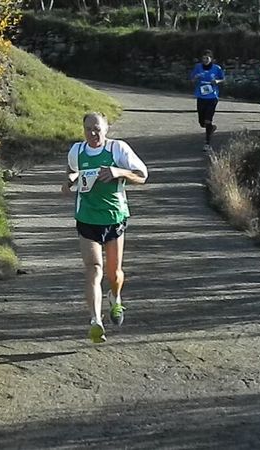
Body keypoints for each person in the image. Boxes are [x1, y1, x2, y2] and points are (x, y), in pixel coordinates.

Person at [61, 113, 148, 343]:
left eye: (97, 129)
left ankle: (116, 297)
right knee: (93, 269)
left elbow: (142, 176)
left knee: (114, 273)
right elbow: (72, 171)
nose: (93, 134)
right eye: (88, 129)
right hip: (86, 218)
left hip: (114, 218)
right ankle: (95, 321)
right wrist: (70, 181)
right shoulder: (77, 151)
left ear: (106, 129)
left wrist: (119, 172)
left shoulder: (118, 149)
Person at [190, 49, 225, 152]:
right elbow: (191, 79)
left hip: (212, 97)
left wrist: (217, 81)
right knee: (202, 122)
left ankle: (207, 143)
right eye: (203, 58)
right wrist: (195, 78)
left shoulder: (216, 68)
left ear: (211, 59)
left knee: (208, 120)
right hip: (201, 97)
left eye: (207, 58)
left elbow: (223, 79)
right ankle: (210, 128)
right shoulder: (198, 67)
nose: (205, 60)